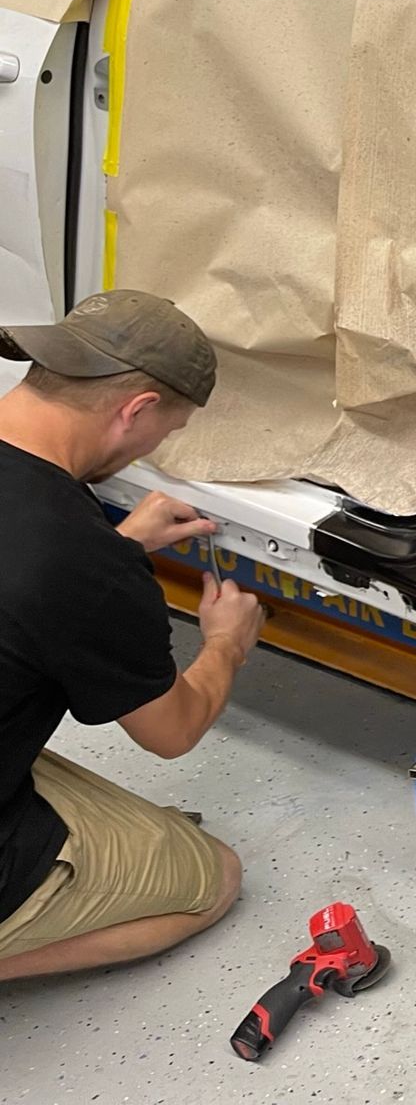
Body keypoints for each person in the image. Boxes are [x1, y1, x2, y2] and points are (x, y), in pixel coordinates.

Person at [0, 290, 264, 980]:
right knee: (212, 879)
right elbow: (171, 732)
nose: (156, 448)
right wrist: (225, 645)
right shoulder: (79, 563)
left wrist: (114, 548)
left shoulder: (79, 555)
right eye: (166, 432)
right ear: (137, 410)